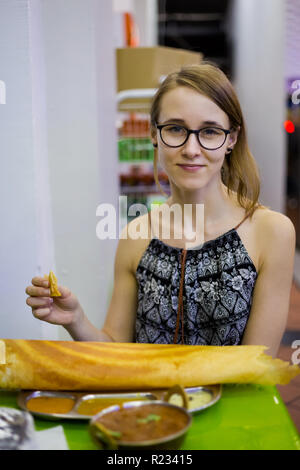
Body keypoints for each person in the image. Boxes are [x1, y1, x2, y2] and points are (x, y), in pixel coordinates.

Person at [25, 62, 296, 357]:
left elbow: (257, 364)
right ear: (154, 134)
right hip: (150, 403)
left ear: (231, 139)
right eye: (176, 128)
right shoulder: (136, 235)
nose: (192, 149)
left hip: (231, 403)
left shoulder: (271, 232)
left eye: (209, 131)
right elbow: (116, 349)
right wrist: (75, 320)